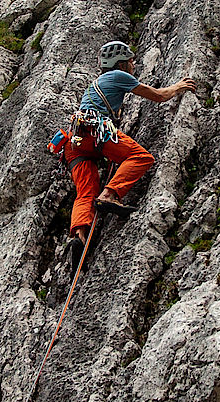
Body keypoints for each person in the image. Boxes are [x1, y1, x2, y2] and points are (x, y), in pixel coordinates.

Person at [63, 40, 194, 265]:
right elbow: (159, 95)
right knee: (141, 157)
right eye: (131, 61)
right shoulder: (119, 76)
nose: (134, 64)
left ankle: (80, 237)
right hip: (96, 132)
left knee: (85, 192)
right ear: (121, 63)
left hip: (74, 142)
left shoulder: (95, 84)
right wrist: (179, 86)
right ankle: (110, 195)